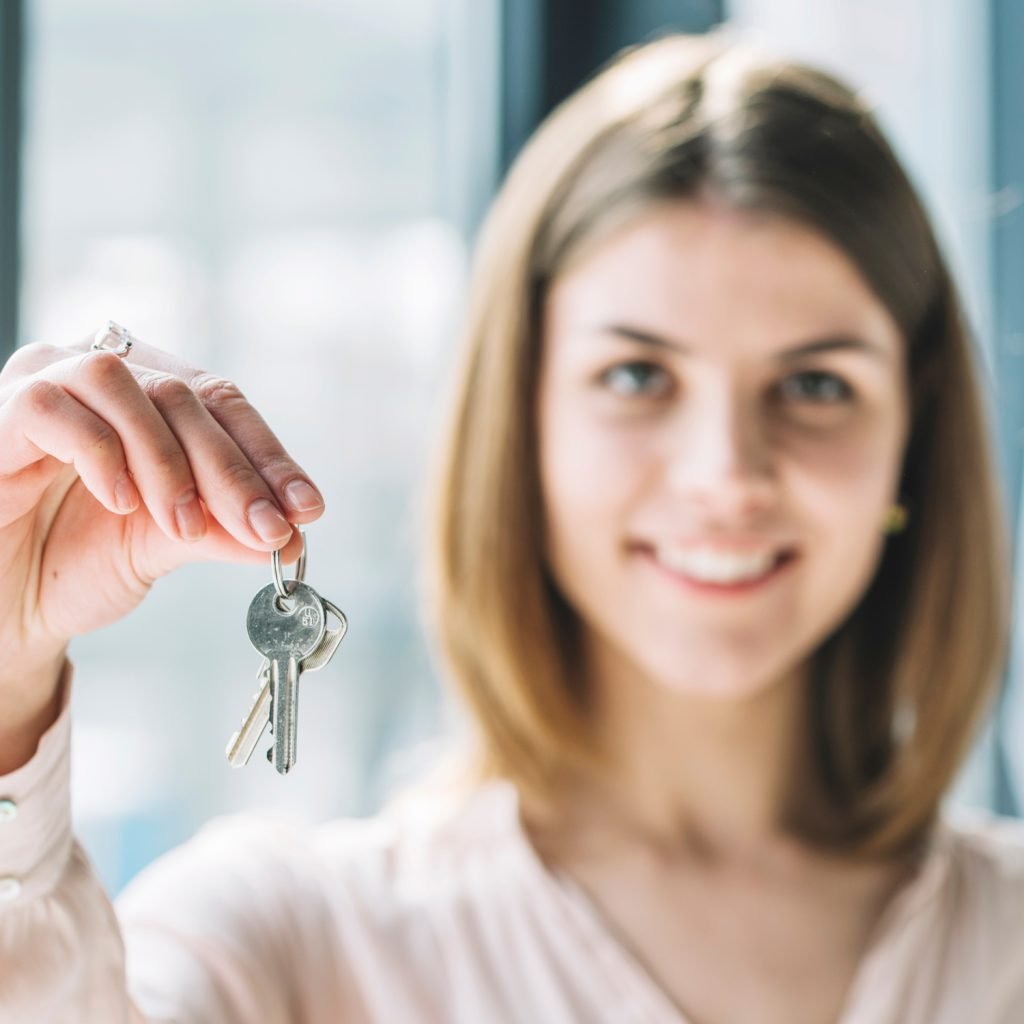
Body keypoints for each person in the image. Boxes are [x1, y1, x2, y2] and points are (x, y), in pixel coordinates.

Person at [1, 27, 1022, 1024]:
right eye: (636, 375)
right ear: (519, 423)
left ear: (912, 434)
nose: (726, 476)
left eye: (813, 382)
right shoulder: (288, 938)